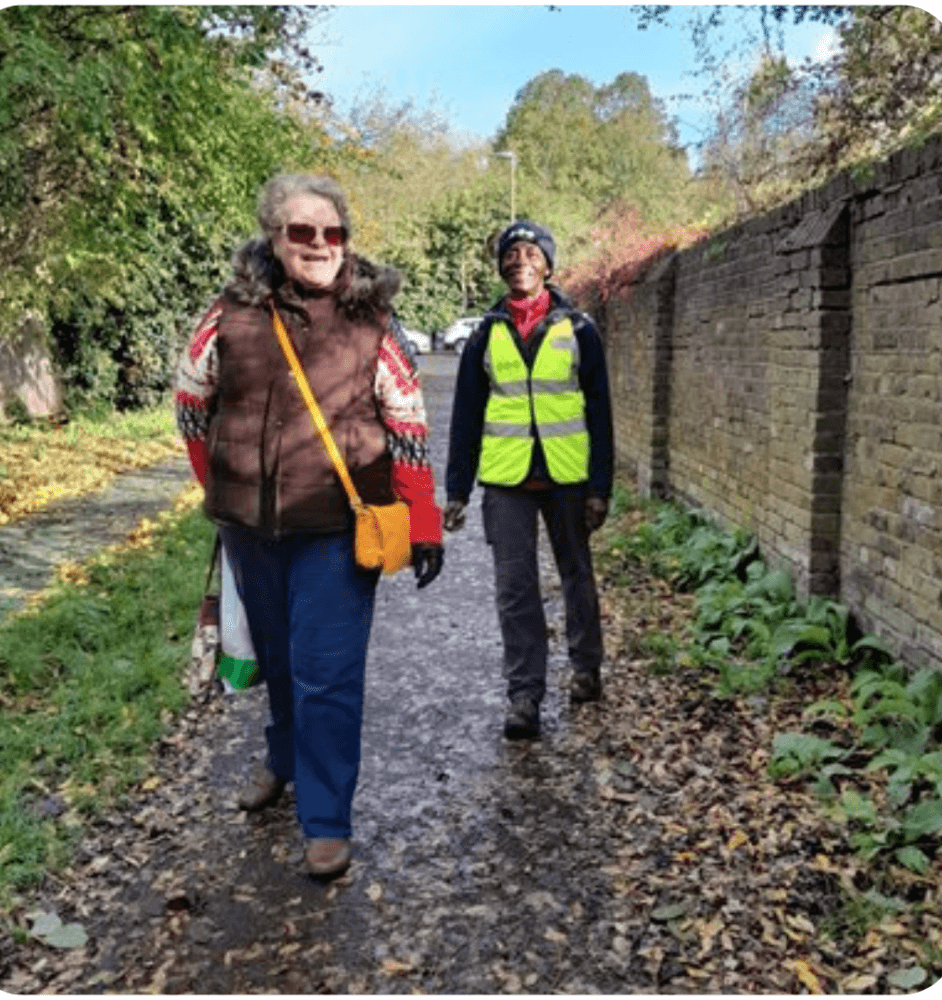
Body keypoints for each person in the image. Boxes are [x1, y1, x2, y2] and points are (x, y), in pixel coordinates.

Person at [175, 173, 444, 877]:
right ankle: (283, 757)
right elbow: (189, 402)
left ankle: (326, 818)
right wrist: (223, 487)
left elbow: (409, 427)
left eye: (333, 232)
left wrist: (424, 525)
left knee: (326, 671)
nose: (321, 245)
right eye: (303, 232)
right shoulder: (226, 315)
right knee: (279, 657)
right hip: (248, 529)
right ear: (273, 237)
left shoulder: (374, 324)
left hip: (334, 530)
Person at [443, 220, 613, 740]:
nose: (520, 261)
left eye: (529, 253)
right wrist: (456, 489)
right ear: (501, 268)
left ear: (547, 266)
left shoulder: (579, 329)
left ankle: (585, 667)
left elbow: (600, 410)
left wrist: (600, 486)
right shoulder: (484, 336)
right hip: (506, 480)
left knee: (575, 574)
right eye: (510, 255)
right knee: (515, 589)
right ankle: (524, 696)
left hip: (567, 477)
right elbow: (467, 416)